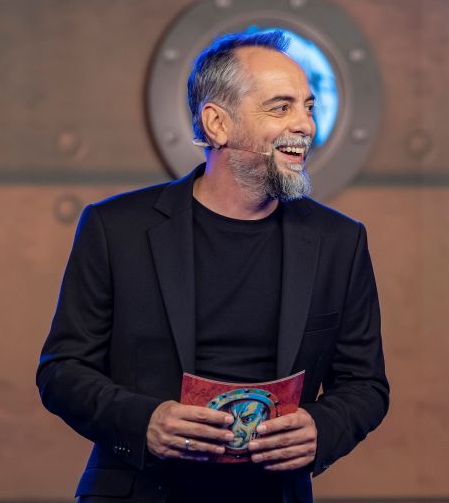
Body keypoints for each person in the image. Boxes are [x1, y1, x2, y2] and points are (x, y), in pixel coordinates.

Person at [36, 30, 389, 503]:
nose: (305, 125)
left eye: (308, 107)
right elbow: (62, 371)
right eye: (281, 107)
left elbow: (365, 385)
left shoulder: (340, 241)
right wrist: (145, 422)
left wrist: (321, 427)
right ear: (217, 124)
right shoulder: (115, 228)